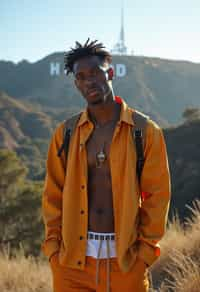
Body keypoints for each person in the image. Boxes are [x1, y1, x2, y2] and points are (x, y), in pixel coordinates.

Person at [41, 39, 171, 292]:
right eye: (81, 77)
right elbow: (52, 195)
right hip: (72, 265)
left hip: (126, 262)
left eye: (95, 73)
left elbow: (158, 196)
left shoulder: (144, 131)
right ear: (77, 84)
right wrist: (53, 252)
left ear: (109, 73)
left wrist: (143, 255)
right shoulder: (65, 133)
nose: (89, 81)